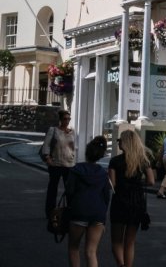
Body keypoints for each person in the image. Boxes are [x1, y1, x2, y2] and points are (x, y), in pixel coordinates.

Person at [108, 130, 155, 267]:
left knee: (117, 241)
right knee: (130, 242)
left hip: (120, 201)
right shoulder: (143, 161)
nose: (119, 142)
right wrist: (137, 184)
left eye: (120, 140)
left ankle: (121, 265)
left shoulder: (115, 161)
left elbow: (112, 184)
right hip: (136, 202)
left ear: (125, 143)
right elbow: (151, 181)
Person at [65, 136, 112, 267]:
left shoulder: (75, 170)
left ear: (86, 153)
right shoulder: (103, 173)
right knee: (91, 252)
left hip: (79, 211)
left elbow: (69, 191)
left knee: (73, 248)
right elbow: (106, 196)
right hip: (97, 213)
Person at [41, 109, 76, 218]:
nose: (67, 121)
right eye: (65, 119)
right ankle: (50, 212)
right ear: (60, 120)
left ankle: (70, 211)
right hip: (56, 164)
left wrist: (74, 158)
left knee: (70, 190)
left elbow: (74, 147)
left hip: (69, 165)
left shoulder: (72, 132)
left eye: (68, 119)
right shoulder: (54, 130)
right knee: (53, 190)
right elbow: (46, 145)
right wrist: (47, 158)